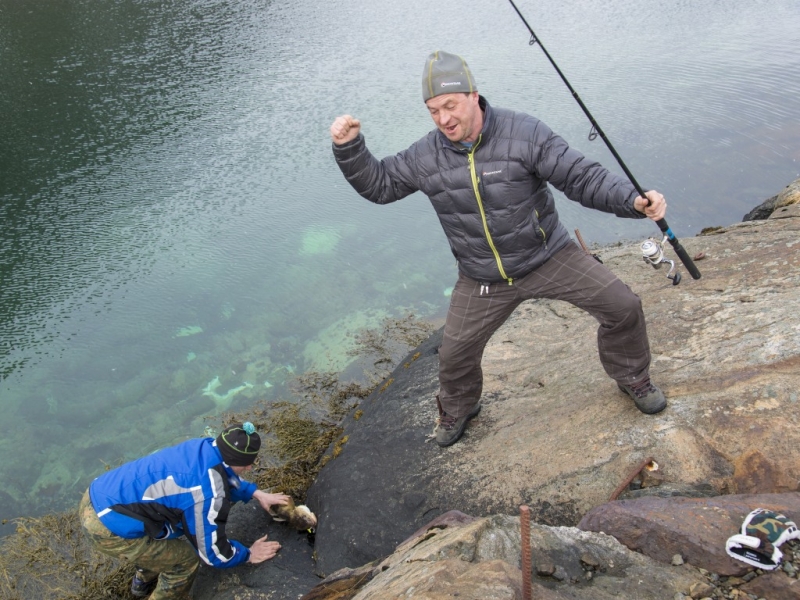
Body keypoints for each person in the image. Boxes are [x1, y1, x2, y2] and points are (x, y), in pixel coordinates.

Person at [330, 50, 669, 448]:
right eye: (433, 110)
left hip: (547, 257)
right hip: (482, 276)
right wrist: (350, 148)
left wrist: (632, 200)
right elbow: (380, 185)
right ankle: (459, 407)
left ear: (474, 95)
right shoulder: (426, 155)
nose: (443, 119)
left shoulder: (523, 133)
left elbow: (580, 176)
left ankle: (633, 377)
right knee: (454, 354)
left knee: (623, 306)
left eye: (450, 105)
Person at [79, 422, 290, 599]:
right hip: (106, 525)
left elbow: (221, 474)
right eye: (247, 464)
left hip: (99, 492)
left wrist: (256, 493)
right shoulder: (206, 493)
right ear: (234, 460)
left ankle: (141, 583)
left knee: (159, 542)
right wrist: (248, 554)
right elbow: (213, 554)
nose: (250, 468)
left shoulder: (204, 446)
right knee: (185, 561)